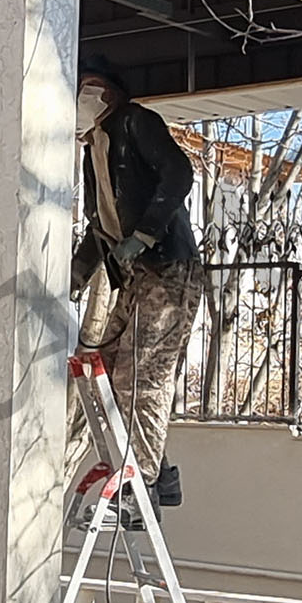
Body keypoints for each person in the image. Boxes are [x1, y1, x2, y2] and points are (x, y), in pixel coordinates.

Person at [70, 56, 199, 510]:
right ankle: (158, 472)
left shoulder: (135, 123)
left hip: (167, 269)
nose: (82, 97)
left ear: (110, 90)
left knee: (142, 376)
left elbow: (179, 172)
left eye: (89, 86)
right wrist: (76, 274)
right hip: (134, 277)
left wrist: (145, 234)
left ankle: (140, 485)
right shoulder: (94, 146)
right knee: (102, 370)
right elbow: (100, 224)